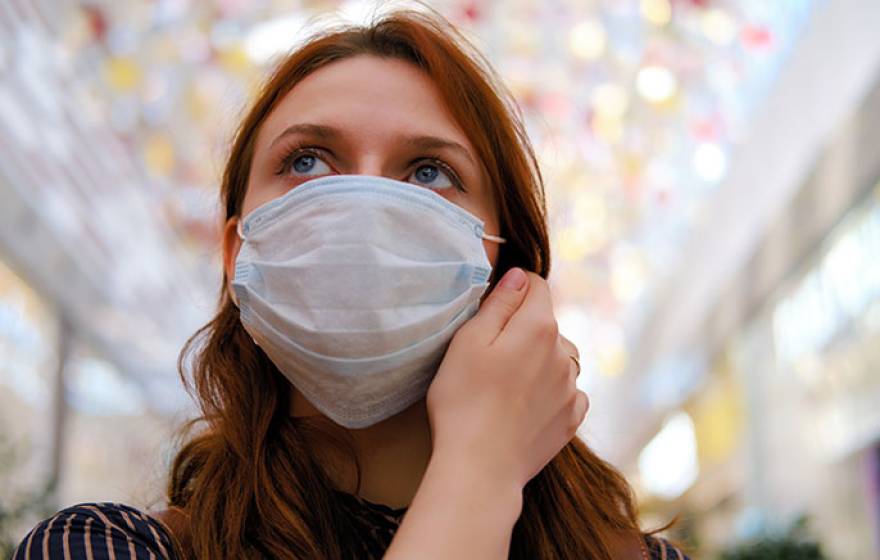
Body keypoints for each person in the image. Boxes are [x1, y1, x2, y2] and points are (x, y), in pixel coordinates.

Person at [14, 10, 689, 560]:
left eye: (428, 172)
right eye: (307, 161)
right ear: (236, 251)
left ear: (504, 265)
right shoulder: (102, 546)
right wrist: (480, 471)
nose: (364, 208)